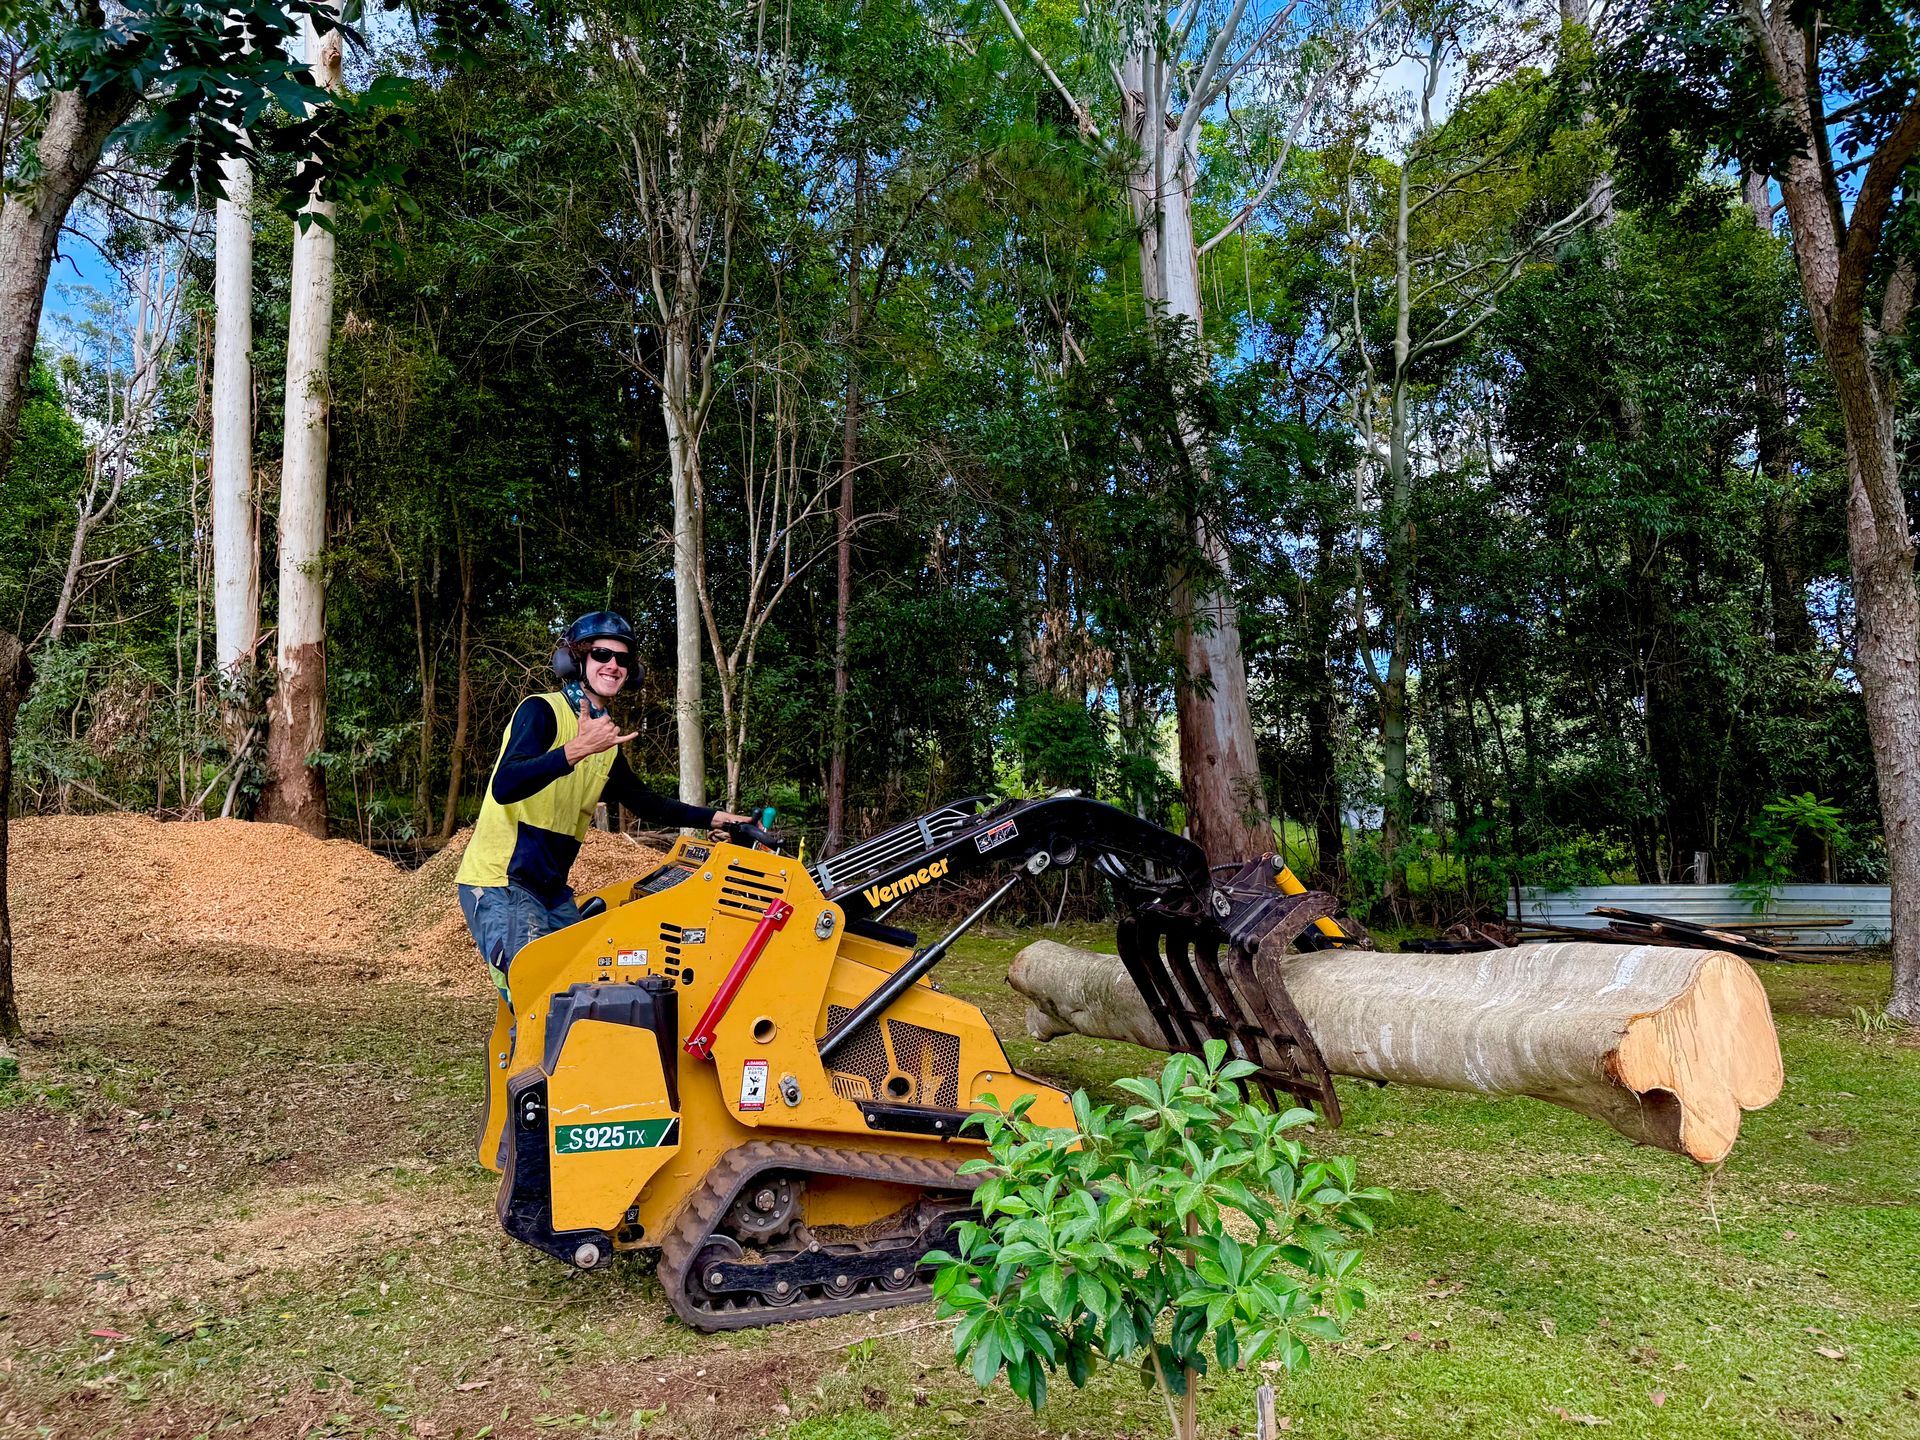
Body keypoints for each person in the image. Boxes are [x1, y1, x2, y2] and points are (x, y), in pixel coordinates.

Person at [456, 610, 750, 1002]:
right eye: (601, 654)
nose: (613, 665)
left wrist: (718, 818)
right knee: (537, 994)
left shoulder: (604, 737)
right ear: (575, 660)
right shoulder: (541, 711)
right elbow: (505, 786)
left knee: (578, 995)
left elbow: (646, 803)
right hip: (501, 883)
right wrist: (574, 750)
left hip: (549, 890)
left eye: (623, 659)